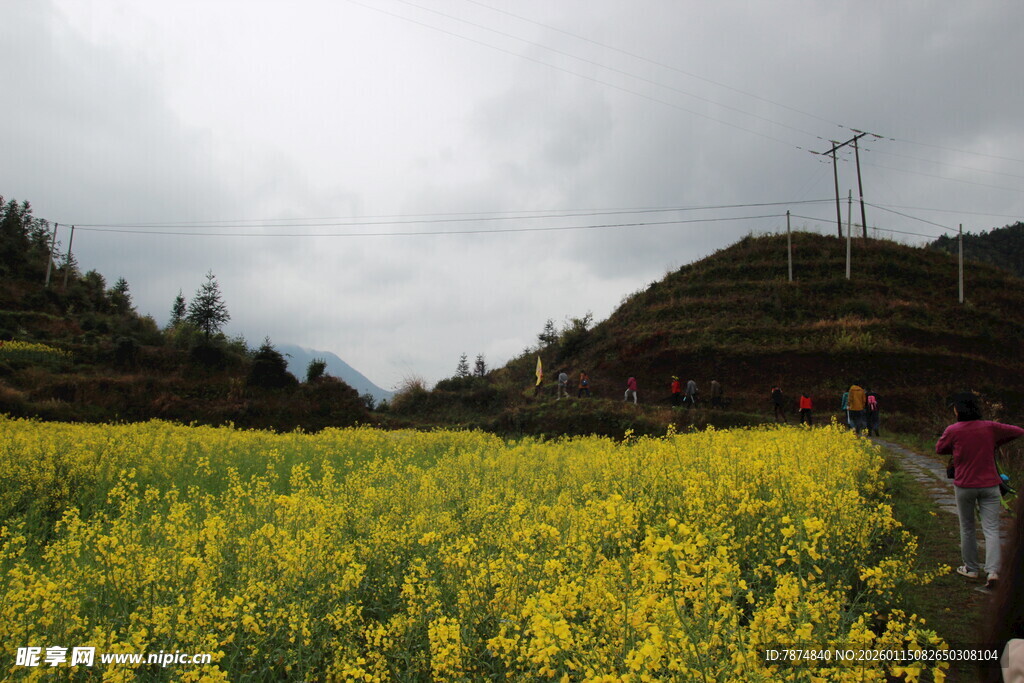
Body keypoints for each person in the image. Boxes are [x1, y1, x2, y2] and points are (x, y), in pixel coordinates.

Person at [936, 392, 1024, 592]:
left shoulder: (953, 430)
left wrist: (958, 449)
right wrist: (994, 443)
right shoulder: (990, 427)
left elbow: (940, 449)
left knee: (967, 527)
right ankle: (993, 572)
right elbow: (1018, 431)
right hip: (990, 486)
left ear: (958, 410)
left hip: (965, 486)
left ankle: (971, 568)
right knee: (991, 528)